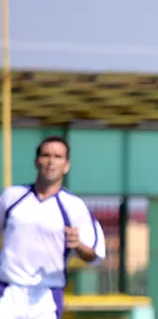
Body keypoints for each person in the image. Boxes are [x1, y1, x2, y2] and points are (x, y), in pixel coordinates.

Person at [0, 136, 106, 319]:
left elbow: (95, 255)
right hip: (8, 291)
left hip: (46, 296)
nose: (51, 162)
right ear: (36, 161)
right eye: (46, 155)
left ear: (66, 165)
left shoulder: (74, 206)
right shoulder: (12, 197)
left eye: (58, 157)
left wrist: (78, 245)